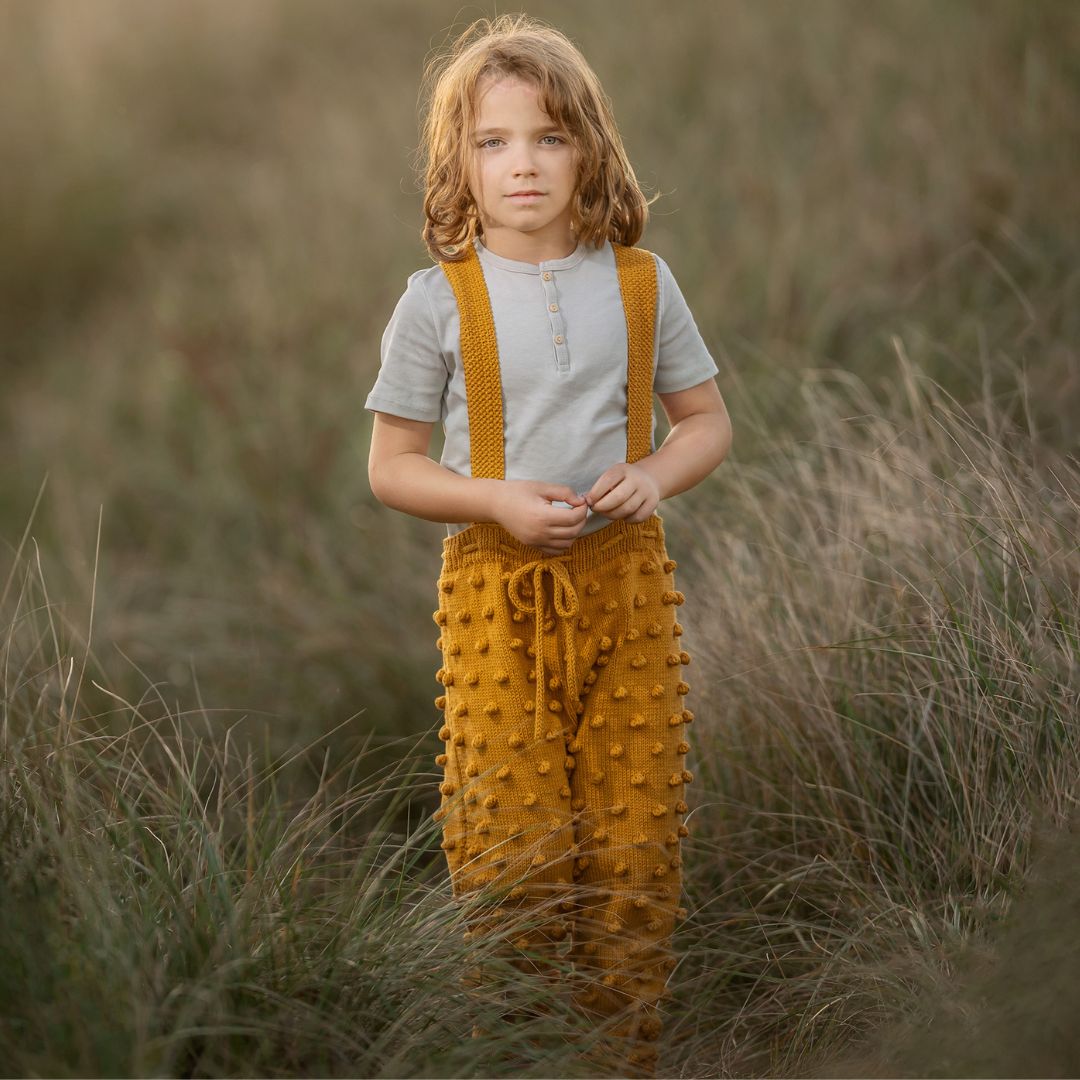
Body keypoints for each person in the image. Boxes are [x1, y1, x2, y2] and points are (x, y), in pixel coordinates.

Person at [364, 14, 732, 1077]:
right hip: (493, 603)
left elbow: (706, 422)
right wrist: (494, 503)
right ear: (459, 163)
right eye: (493, 141)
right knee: (515, 857)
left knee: (633, 851)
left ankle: (620, 1059)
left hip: (628, 593)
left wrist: (654, 475)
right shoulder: (437, 303)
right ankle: (525, 1055)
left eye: (549, 136)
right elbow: (391, 466)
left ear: (591, 151)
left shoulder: (641, 284)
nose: (522, 163)